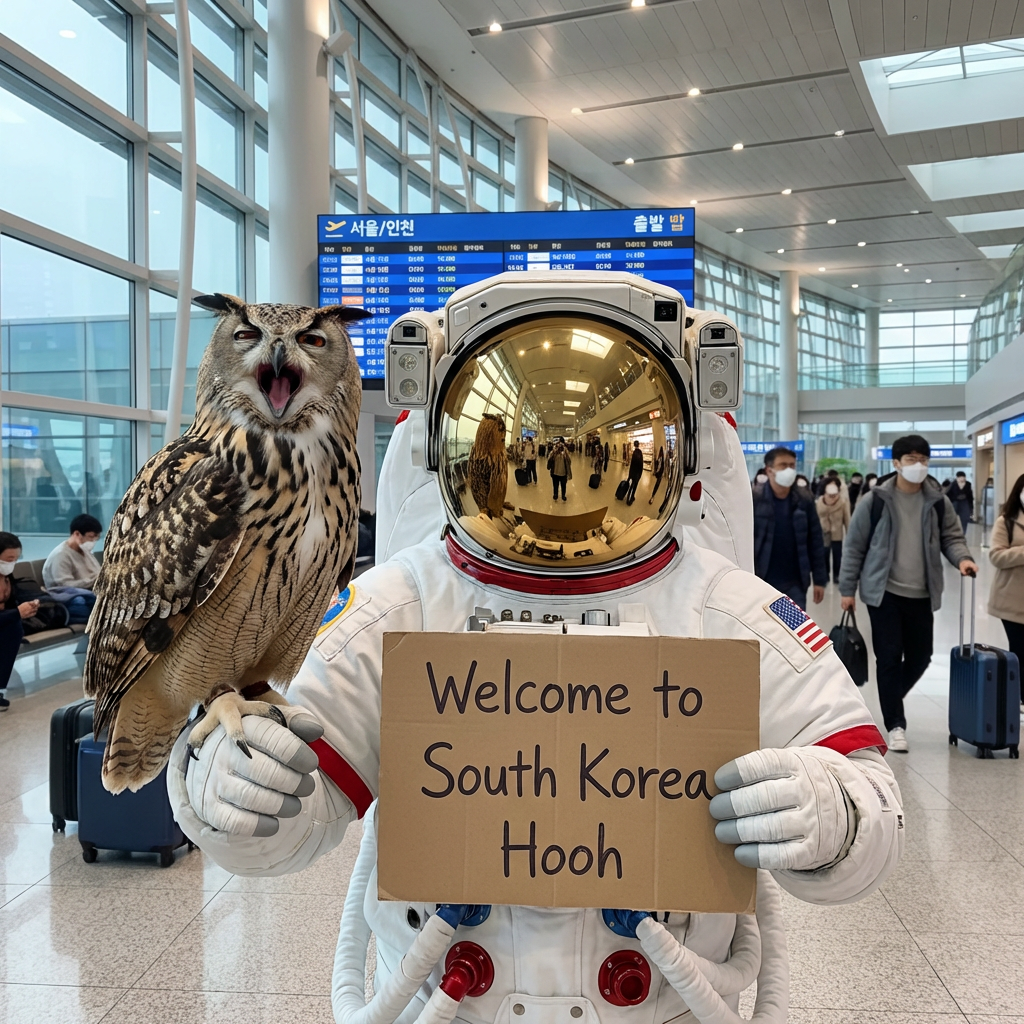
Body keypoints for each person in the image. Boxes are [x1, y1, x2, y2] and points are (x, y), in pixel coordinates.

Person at [170, 277, 903, 1024]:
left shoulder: (723, 608)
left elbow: (871, 795)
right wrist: (225, 790)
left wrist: (832, 816)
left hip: (667, 999)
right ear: (447, 445)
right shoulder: (404, 604)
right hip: (447, 1000)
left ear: (680, 455)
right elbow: (297, 807)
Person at [840, 435, 978, 752]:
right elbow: (854, 547)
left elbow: (952, 538)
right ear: (896, 463)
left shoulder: (938, 501)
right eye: (911, 459)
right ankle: (895, 724)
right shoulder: (875, 501)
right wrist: (847, 589)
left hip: (921, 593)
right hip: (883, 592)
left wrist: (964, 558)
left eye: (923, 459)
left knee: (921, 656)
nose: (918, 465)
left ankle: (889, 699)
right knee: (889, 658)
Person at [753, 447, 827, 610]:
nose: (789, 470)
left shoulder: (804, 499)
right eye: (783, 465)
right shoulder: (755, 499)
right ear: (769, 470)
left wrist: (819, 580)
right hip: (762, 580)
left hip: (796, 582)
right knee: (765, 630)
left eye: (792, 466)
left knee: (794, 632)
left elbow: (815, 540)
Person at [988, 472, 1024, 712]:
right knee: (1020, 650)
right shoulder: (1007, 521)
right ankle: (1019, 699)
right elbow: (996, 556)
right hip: (1013, 601)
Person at [0, 532, 41, 711]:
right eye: (9, 559)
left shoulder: (7, 576)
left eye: (16, 559)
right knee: (13, 626)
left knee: (14, 627)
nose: (12, 563)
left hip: (6, 623)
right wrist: (17, 613)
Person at [41, 513, 103, 624]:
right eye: (91, 537)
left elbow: (97, 572)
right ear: (77, 534)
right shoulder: (60, 555)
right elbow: (64, 585)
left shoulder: (85, 551)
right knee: (84, 601)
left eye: (96, 538)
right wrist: (94, 580)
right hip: (65, 596)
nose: (93, 541)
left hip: (88, 591)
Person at [816, 481, 850, 583]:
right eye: (830, 495)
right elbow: (815, 518)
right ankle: (825, 575)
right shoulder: (819, 502)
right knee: (824, 554)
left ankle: (837, 575)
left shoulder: (843, 502)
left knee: (837, 555)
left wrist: (850, 534)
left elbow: (847, 519)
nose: (832, 497)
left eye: (834, 495)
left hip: (837, 532)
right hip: (824, 531)